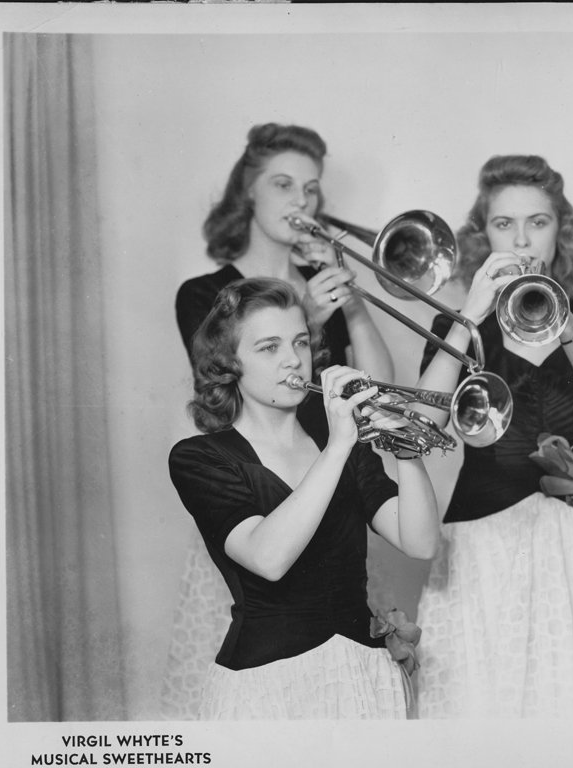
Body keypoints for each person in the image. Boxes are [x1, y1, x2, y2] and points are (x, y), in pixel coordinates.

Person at [162, 123, 395, 719]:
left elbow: (381, 386)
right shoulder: (205, 292)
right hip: (258, 496)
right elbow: (224, 389)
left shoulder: (317, 288)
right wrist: (310, 326)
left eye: (311, 190)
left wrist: (356, 305)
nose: (301, 202)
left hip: (331, 477)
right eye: (283, 184)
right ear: (248, 194)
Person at [412, 155, 573, 718]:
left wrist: (568, 326)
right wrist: (468, 316)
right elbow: (422, 430)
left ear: (560, 231)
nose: (521, 240)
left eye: (538, 223)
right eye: (503, 225)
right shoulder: (459, 326)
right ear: (482, 236)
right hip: (479, 547)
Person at [168, 278, 440, 719]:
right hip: (268, 688)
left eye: (300, 342)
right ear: (228, 363)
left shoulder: (346, 447)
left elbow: (421, 542)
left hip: (361, 677)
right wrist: (336, 447)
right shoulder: (200, 459)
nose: (294, 359)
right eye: (269, 348)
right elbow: (268, 558)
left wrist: (406, 449)